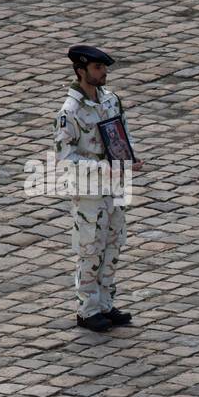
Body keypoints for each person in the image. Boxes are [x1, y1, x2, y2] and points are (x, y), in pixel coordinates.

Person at [54, 44, 143, 332]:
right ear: (81, 71)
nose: (103, 72)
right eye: (97, 68)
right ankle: (87, 310)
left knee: (113, 244)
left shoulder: (110, 101)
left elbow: (122, 133)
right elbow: (65, 160)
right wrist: (102, 168)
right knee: (90, 250)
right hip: (89, 190)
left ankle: (105, 303)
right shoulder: (70, 112)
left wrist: (129, 157)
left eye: (104, 68)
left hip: (113, 186)